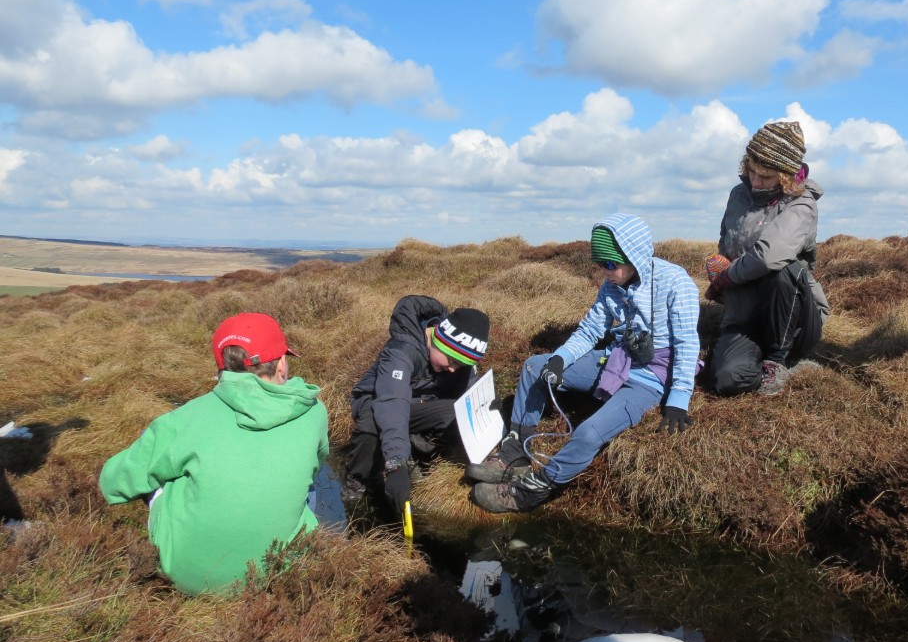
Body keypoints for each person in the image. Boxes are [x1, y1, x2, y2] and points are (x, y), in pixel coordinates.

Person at [470, 213, 700, 513]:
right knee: (533, 367)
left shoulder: (676, 282)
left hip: (651, 377)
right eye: (600, 264)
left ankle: (534, 489)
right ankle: (516, 453)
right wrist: (559, 359)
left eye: (610, 265)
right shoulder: (611, 286)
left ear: (635, 256)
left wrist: (679, 399)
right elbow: (591, 330)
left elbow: (687, 342)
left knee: (589, 432)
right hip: (616, 358)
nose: (605, 272)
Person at [99, 313, 329, 595]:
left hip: (188, 579)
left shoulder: (186, 418)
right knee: (307, 480)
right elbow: (316, 464)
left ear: (221, 369)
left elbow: (112, 483)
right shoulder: (314, 412)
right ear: (281, 364)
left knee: (162, 470)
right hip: (282, 570)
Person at [706, 121, 831, 397]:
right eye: (752, 170)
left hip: (791, 316)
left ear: (786, 175)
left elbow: (768, 255)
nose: (755, 181)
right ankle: (755, 354)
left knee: (784, 268)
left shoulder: (802, 204)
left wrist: (727, 277)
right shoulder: (738, 195)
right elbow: (726, 241)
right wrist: (719, 268)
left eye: (766, 176)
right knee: (726, 379)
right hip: (744, 312)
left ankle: (778, 359)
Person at [344, 296, 490, 519]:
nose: (453, 369)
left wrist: (488, 411)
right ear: (439, 341)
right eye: (451, 361)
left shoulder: (458, 360)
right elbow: (393, 404)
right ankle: (359, 478)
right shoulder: (402, 351)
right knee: (372, 423)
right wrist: (396, 466)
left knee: (455, 413)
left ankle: (419, 455)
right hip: (380, 402)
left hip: (422, 406)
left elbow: (469, 398)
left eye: (461, 365)